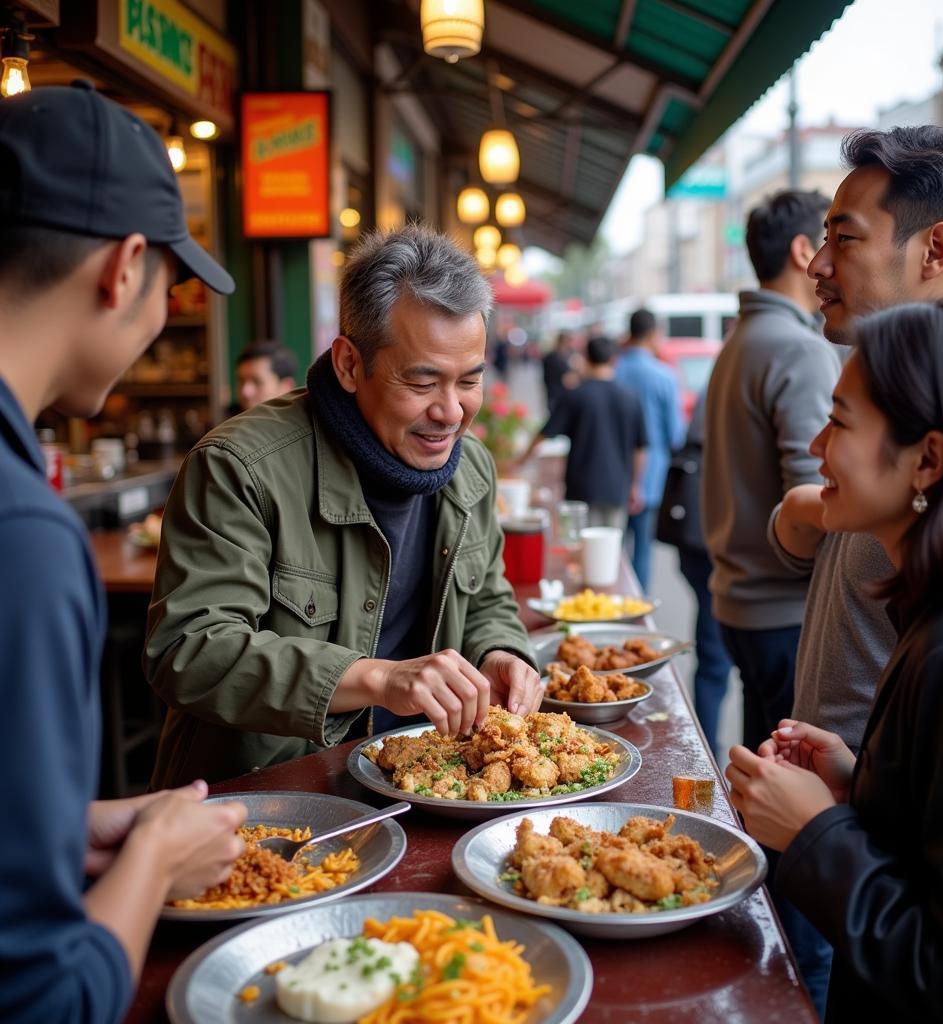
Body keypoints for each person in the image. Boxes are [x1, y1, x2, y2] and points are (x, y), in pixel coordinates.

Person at [0, 83, 246, 1022]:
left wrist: (66, 834)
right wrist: (154, 862)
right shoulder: (26, 535)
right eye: (171, 286)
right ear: (124, 267)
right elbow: (45, 999)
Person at [145, 225, 543, 789]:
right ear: (350, 364)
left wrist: (500, 651)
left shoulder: (470, 466)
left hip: (422, 786)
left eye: (469, 381)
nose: (451, 412)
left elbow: (487, 600)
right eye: (423, 381)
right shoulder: (240, 465)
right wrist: (379, 679)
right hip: (264, 800)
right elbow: (188, 650)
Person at [727, 298, 943, 1023]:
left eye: (842, 423)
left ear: (928, 459)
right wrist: (862, 786)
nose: (819, 447)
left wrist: (815, 834)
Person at [769, 127, 943, 755]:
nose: (817, 265)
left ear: (934, 250)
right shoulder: (885, 382)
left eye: (845, 239)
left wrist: (844, 813)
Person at [701, 188, 840, 1015]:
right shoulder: (795, 346)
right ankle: (793, 995)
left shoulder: (742, 339)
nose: (826, 262)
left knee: (774, 821)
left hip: (740, 603)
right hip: (783, 612)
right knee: (800, 844)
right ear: (798, 252)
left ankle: (772, 977)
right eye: (825, 240)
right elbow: (810, 490)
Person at [656, 388, 733, 760]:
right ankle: (708, 757)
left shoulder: (713, 388)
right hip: (719, 544)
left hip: (697, 540)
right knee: (716, 659)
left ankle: (707, 751)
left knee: (712, 655)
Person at [520, 335, 646, 530]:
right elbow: (640, 448)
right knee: (609, 551)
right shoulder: (630, 398)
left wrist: (521, 461)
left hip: (580, 489)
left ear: (586, 358)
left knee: (577, 549)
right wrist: (635, 484)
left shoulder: (575, 396)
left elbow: (545, 434)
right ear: (614, 360)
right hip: (617, 487)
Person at [615, 308, 684, 591]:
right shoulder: (665, 376)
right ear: (654, 333)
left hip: (613, 471)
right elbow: (675, 435)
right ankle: (636, 611)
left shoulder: (614, 369)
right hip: (651, 475)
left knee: (612, 550)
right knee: (642, 547)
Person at [236, 339, 298, 411]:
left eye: (257, 382)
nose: (245, 392)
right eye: (241, 381)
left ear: (287, 387)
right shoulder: (227, 420)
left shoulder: (303, 421)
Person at [541, 329, 579, 411]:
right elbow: (569, 379)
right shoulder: (558, 359)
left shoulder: (551, 357)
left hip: (553, 394)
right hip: (558, 396)